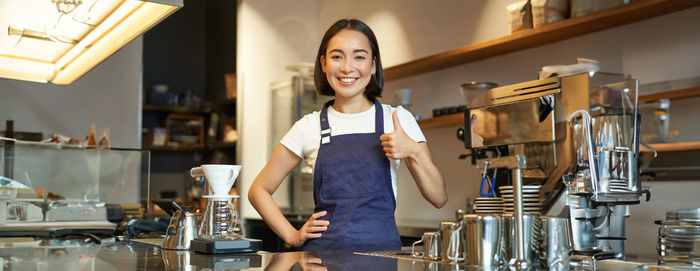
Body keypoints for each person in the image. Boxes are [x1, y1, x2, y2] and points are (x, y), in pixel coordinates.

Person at [248, 19, 447, 251]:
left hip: (382, 259)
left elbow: (438, 197)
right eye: (337, 56)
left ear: (373, 65)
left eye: (359, 57)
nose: (347, 67)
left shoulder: (397, 119)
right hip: (320, 260)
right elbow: (258, 190)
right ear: (323, 63)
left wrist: (413, 151)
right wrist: (292, 236)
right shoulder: (308, 126)